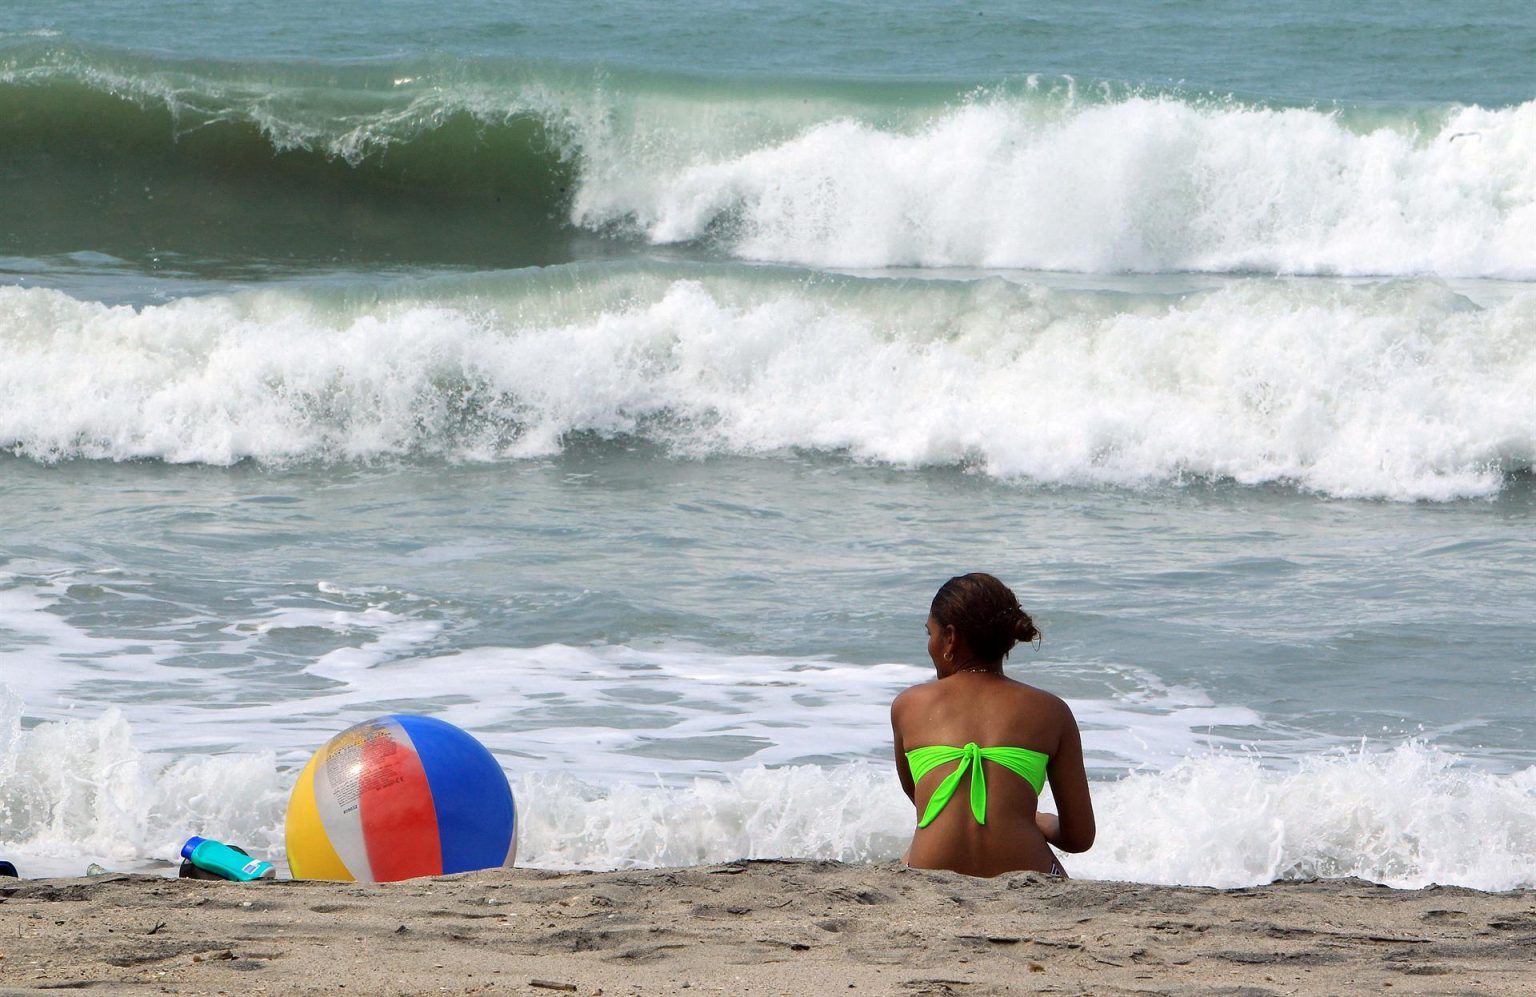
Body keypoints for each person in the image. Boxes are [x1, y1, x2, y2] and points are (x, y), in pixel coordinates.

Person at [891, 573, 1094, 877]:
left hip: (930, 875)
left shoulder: (909, 705)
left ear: (950, 637)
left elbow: (923, 805)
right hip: (1026, 874)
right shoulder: (1051, 711)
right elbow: (1079, 838)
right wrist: (1035, 820)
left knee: (911, 852)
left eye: (929, 633)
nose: (930, 644)